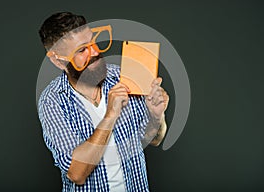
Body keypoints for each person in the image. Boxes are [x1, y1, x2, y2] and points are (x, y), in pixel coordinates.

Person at [37, 12, 169, 192]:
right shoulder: (52, 101)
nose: (95, 52)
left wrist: (157, 116)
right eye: (82, 50)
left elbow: (152, 139)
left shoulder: (122, 77)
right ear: (58, 61)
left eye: (93, 42)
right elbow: (77, 174)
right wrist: (110, 116)